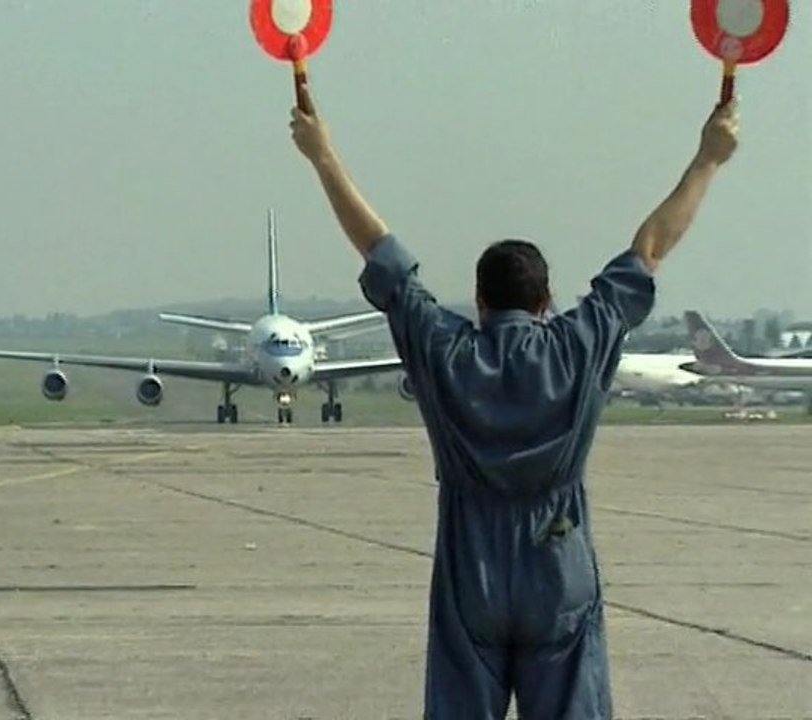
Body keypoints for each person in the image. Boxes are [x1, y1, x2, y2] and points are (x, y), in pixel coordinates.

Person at [290, 84, 739, 719]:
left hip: (469, 567)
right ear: (545, 300)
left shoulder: (445, 348)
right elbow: (650, 250)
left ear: (479, 300)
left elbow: (383, 257)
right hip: (558, 563)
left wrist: (322, 155)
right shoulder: (578, 343)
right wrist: (708, 159)